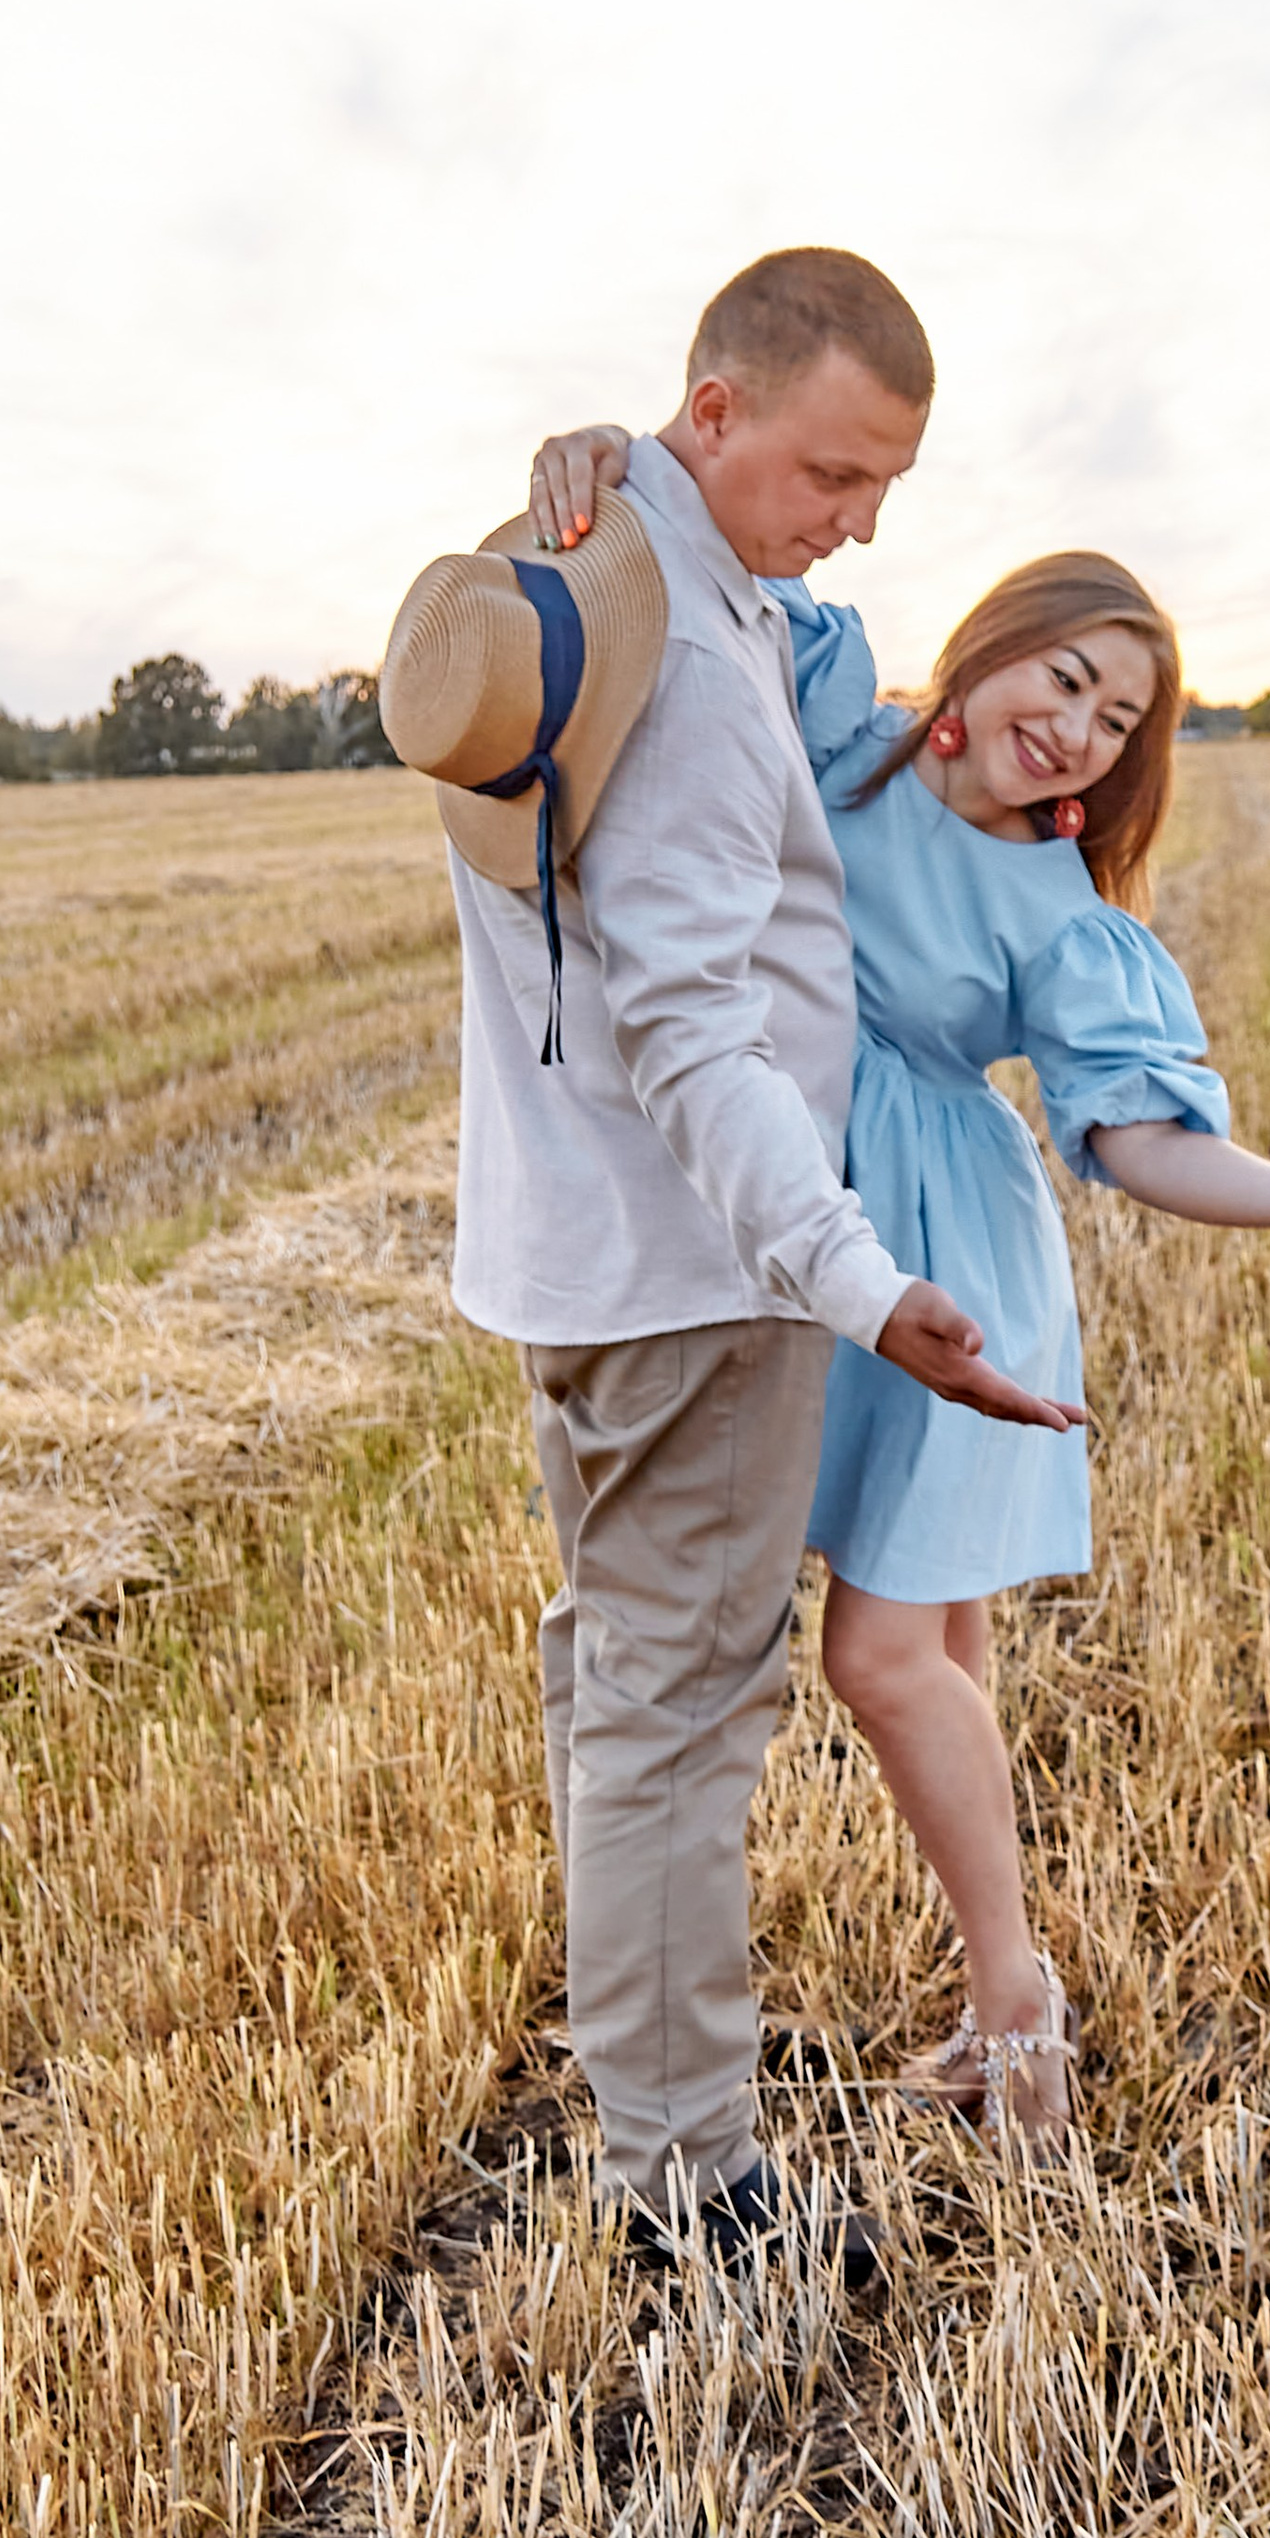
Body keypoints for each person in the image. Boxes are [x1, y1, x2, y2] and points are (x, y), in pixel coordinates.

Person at [529, 422, 1270, 2146]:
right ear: (1000, 639)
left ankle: (1021, 2004)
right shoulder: (832, 729)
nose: (1077, 729)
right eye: (1072, 678)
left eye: (1118, 722)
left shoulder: (1059, 909)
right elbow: (702, 577)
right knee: (932, 1640)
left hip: (951, 1249)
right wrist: (610, 454)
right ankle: (992, 1999)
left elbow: (1136, 1135)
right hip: (805, 1217)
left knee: (881, 1657)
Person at [383, 248, 1079, 2291]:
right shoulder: (679, 639)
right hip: (696, 1266)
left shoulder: (608, 567)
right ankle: (686, 2175)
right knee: (680, 1713)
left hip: (587, 1243)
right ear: (715, 417)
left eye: (885, 484)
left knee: (628, 1679)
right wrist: (862, 1286)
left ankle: (655, 2066)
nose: (859, 518)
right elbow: (692, 1029)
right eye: (836, 470)